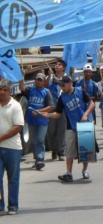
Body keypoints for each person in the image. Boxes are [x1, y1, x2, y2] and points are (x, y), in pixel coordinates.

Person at [41, 76, 95, 182]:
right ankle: (69, 173)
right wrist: (48, 115)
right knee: (69, 150)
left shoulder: (80, 91)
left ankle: (85, 170)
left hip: (84, 123)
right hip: (71, 126)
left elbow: (91, 103)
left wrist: (86, 114)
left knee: (85, 150)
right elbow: (58, 113)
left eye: (63, 85)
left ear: (70, 83)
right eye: (60, 85)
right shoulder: (62, 98)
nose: (62, 87)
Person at [19, 73, 54, 170]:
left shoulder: (46, 92)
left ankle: (40, 159)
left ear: (43, 81)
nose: (39, 81)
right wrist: (22, 76)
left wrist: (39, 112)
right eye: (37, 80)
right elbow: (22, 88)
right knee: (34, 141)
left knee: (40, 139)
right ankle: (37, 160)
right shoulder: (31, 90)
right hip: (31, 121)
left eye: (41, 80)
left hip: (42, 121)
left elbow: (51, 106)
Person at [0, 79, 24, 215]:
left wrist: (1, 138)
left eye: (5, 89)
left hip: (12, 148)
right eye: (0, 89)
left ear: (10, 91)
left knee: (13, 178)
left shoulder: (15, 106)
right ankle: (0, 205)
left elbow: (18, 127)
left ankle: (13, 206)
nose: (2, 92)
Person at [45, 59, 67, 161]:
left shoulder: (66, 78)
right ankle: (54, 150)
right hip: (52, 107)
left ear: (63, 68)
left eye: (59, 65)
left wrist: (60, 82)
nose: (57, 66)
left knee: (61, 130)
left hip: (62, 107)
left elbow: (68, 88)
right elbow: (45, 85)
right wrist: (49, 76)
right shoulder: (51, 77)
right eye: (56, 65)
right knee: (51, 130)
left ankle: (61, 151)